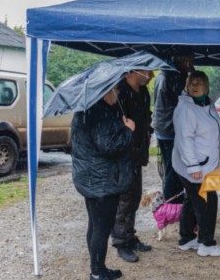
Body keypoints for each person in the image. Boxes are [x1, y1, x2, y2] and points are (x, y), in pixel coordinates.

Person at [71, 87, 135, 280]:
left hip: (91, 178)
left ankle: (98, 267)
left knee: (95, 224)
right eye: (115, 90)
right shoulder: (100, 114)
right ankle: (97, 272)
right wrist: (128, 130)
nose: (117, 94)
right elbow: (109, 146)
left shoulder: (86, 111)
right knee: (101, 228)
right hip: (102, 182)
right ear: (105, 92)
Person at [172, 70, 220, 257]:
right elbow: (185, 140)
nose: (195, 86)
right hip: (193, 166)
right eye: (192, 83)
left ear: (206, 86)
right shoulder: (185, 109)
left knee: (192, 201)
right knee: (207, 201)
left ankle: (186, 238)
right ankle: (206, 243)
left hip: (204, 164)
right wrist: (193, 166)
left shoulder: (208, 104)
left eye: (199, 83)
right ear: (186, 86)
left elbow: (210, 132)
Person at [111, 69, 154, 262]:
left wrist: (148, 130)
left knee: (135, 196)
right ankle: (120, 242)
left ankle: (129, 235)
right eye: (147, 71)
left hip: (139, 152)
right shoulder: (119, 92)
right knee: (124, 199)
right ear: (133, 71)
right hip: (123, 155)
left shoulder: (144, 93)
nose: (151, 75)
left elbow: (146, 117)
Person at [152, 49, 194, 202]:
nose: (192, 63)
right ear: (182, 59)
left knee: (171, 166)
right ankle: (171, 202)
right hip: (170, 128)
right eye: (190, 59)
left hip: (164, 127)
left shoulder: (166, 74)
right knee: (173, 168)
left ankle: (172, 198)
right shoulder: (172, 76)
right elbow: (184, 101)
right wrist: (190, 75)